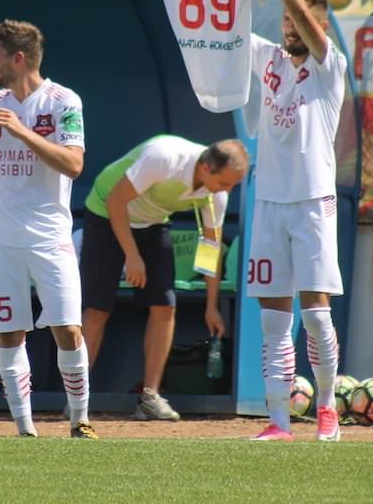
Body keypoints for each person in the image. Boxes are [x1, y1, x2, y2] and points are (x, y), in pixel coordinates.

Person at [0, 19, 96, 439]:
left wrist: (21, 131)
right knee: (8, 332)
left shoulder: (62, 101)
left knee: (67, 329)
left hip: (50, 235)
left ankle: (80, 420)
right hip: (1, 236)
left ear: (18, 59)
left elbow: (74, 164)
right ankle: (24, 428)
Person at [238, 0, 347, 442]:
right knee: (272, 318)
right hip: (269, 202)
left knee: (315, 312)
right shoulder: (269, 60)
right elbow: (216, 28)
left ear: (317, 25)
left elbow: (303, 13)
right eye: (283, 18)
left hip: (312, 202)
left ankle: (327, 407)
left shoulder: (331, 68)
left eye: (297, 18)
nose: (289, 26)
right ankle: (279, 420)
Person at [79, 135, 249, 421]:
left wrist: (211, 306)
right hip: (106, 214)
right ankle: (76, 396)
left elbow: (210, 247)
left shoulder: (217, 193)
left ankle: (150, 397)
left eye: (232, 185)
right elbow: (115, 201)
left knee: (165, 306)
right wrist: (132, 256)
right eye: (224, 183)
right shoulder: (164, 157)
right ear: (206, 168)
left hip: (153, 222)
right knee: (98, 308)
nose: (227, 191)